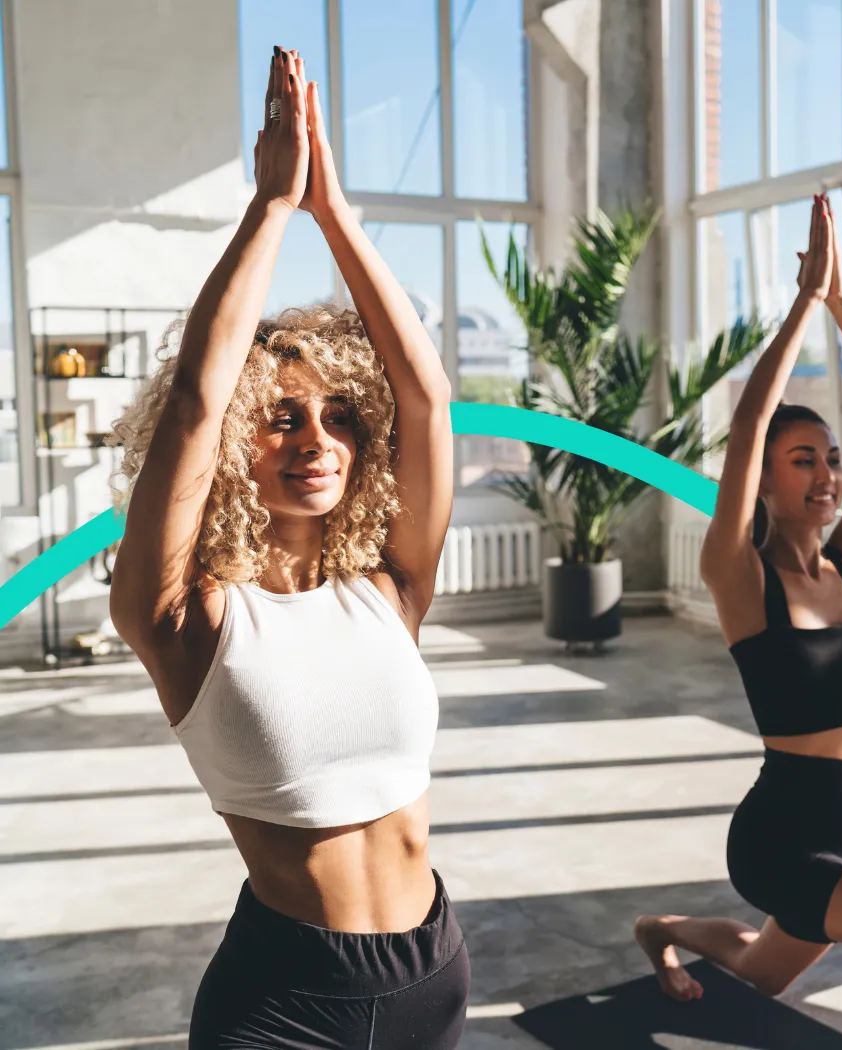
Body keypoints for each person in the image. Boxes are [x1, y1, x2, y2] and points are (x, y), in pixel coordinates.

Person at [107, 48, 466, 1048]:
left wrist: (332, 209)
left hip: (431, 969)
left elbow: (429, 396)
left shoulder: (389, 591)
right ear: (234, 446)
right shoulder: (185, 616)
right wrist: (270, 209)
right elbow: (192, 400)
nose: (316, 439)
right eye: (279, 419)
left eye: (339, 416)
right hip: (285, 1005)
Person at [633, 195, 842, 1050]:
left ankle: (664, 930)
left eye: (830, 459)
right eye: (801, 461)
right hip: (784, 838)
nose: (824, 474)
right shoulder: (740, 576)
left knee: (755, 972)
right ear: (766, 482)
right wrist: (803, 305)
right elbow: (747, 420)